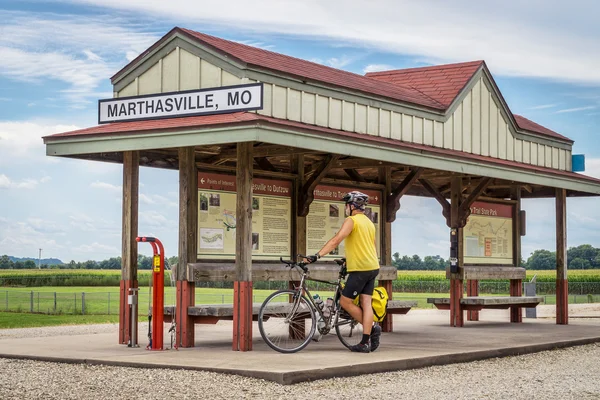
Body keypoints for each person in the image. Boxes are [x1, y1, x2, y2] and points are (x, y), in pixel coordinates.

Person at [306, 191, 381, 353]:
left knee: (346, 302)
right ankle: (365, 342)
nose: (345, 208)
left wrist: (317, 255)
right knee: (366, 303)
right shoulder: (369, 222)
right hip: (372, 267)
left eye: (346, 205)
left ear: (352, 206)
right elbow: (370, 246)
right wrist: (348, 260)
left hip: (360, 269)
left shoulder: (351, 220)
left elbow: (336, 240)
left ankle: (373, 328)